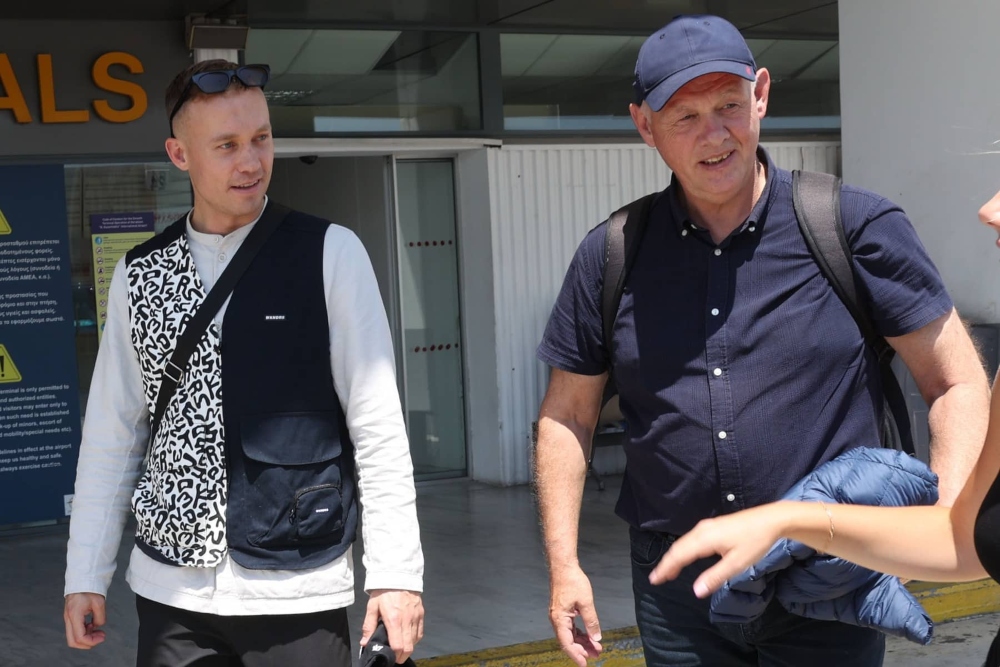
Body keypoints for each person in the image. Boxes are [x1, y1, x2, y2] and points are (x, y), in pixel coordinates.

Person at [533, 14, 990, 667]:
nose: (715, 135)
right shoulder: (613, 254)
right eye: (685, 117)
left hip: (825, 578)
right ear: (644, 125)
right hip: (679, 591)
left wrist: (940, 526)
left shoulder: (852, 226)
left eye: (728, 105)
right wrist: (563, 565)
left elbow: (955, 380)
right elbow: (567, 416)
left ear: (762, 95)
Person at [62, 59, 424, 667]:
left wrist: (395, 575)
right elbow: (112, 434)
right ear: (179, 155)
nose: (251, 162)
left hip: (297, 584)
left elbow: (377, 425)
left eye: (261, 138)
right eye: (226, 145)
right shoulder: (139, 272)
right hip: (171, 594)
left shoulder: (330, 253)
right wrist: (84, 575)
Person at [649, 186, 1000, 598]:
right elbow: (962, 540)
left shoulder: (857, 220)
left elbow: (953, 382)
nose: (988, 210)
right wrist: (787, 520)